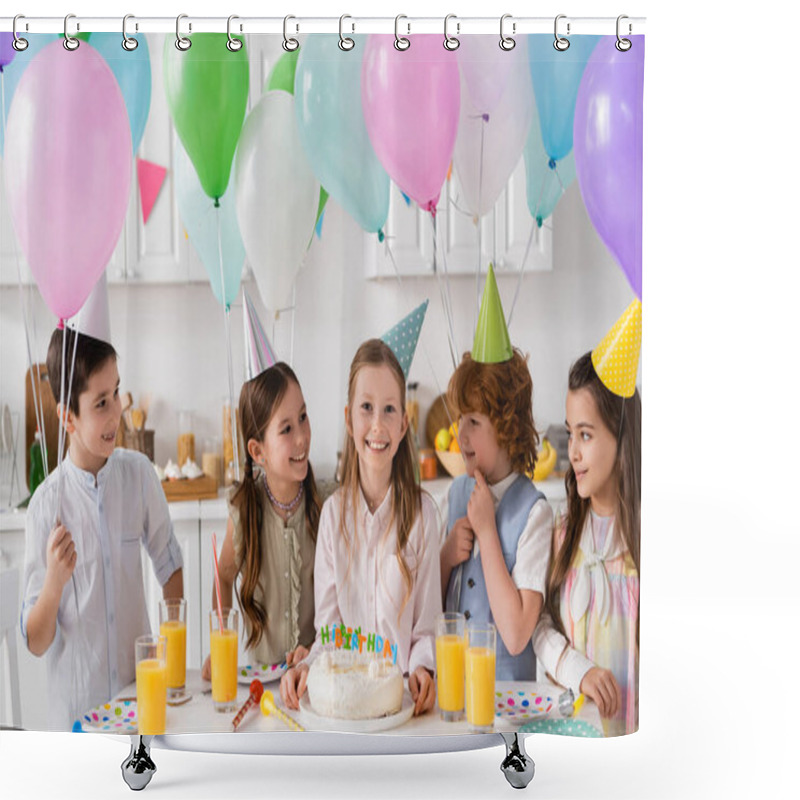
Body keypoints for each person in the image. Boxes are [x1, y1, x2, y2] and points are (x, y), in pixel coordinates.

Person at [21, 326, 184, 729]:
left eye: (116, 394)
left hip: (139, 706)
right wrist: (55, 582)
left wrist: (171, 649)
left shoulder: (139, 477)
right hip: (77, 721)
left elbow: (170, 565)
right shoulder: (46, 507)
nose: (116, 413)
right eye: (100, 403)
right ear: (67, 416)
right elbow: (36, 641)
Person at [280, 339, 441, 716]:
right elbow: (329, 635)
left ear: (404, 424)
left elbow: (425, 631)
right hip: (345, 709)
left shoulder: (423, 516)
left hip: (401, 709)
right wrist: (304, 667)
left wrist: (422, 668)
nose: (377, 425)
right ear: (350, 418)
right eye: (367, 408)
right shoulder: (334, 517)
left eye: (389, 410)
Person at [533, 300, 642, 736]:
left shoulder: (645, 539)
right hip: (578, 745)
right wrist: (579, 670)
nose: (572, 451)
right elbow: (539, 628)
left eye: (586, 434)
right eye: (569, 431)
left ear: (621, 437)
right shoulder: (563, 533)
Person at [440, 265, 553, 681]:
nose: (460, 433)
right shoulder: (454, 496)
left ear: (506, 427)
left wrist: (487, 534)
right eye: (459, 420)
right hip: (453, 699)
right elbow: (429, 611)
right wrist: (445, 560)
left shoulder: (535, 514)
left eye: (474, 422)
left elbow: (517, 633)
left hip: (509, 707)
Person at [201, 363, 320, 678]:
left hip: (314, 677)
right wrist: (220, 642)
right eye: (286, 429)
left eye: (303, 418)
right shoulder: (245, 510)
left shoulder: (325, 504)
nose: (301, 438)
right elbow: (224, 576)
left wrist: (320, 649)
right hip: (262, 681)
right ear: (257, 451)